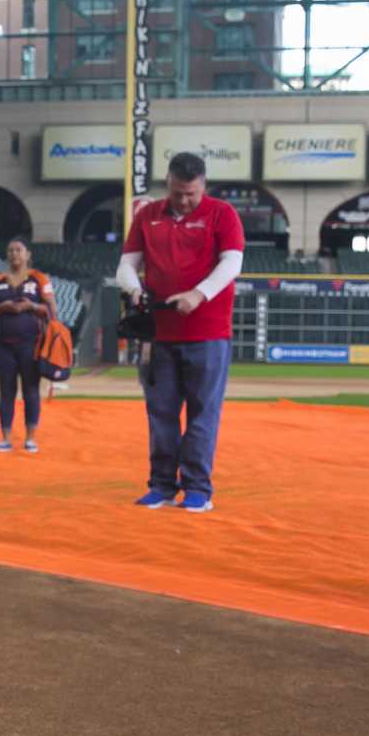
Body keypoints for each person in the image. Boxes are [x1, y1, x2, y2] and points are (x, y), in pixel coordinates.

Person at [113, 151, 245, 512]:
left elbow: (233, 261)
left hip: (208, 332)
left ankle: (198, 488)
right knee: (161, 413)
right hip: (160, 334)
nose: (184, 201)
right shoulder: (147, 215)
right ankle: (161, 485)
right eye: (177, 193)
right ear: (167, 184)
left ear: (203, 186)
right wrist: (134, 289)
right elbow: (127, 264)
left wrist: (199, 294)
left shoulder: (222, 213)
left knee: (203, 414)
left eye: (191, 194)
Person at [0, 237, 55, 453]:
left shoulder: (40, 279)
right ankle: (5, 438)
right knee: (6, 391)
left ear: (27, 254)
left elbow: (52, 310)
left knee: (31, 391)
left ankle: (30, 438)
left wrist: (31, 305)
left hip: (31, 344)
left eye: (18, 250)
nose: (14, 253)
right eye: (11, 250)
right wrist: (1, 307)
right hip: (3, 346)